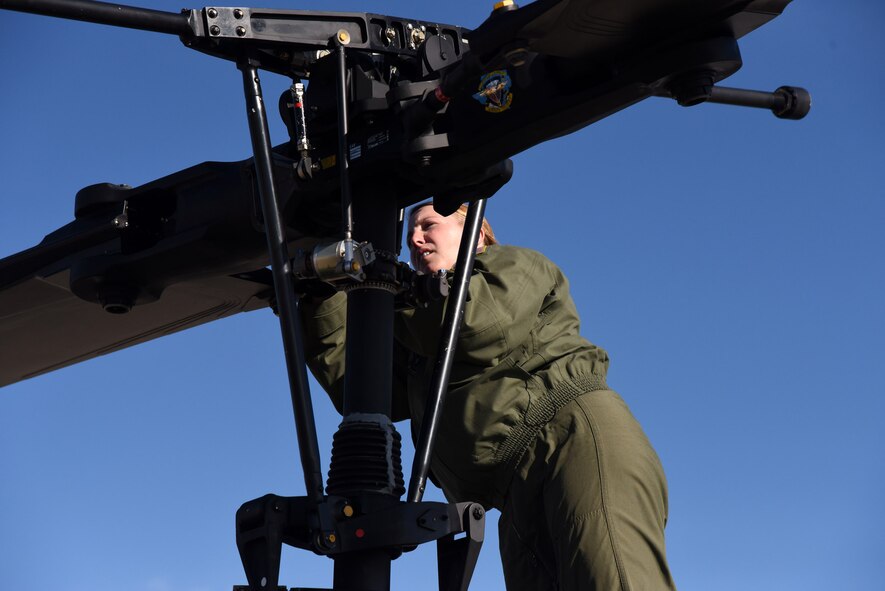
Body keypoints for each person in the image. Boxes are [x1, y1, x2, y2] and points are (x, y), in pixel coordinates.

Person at [300, 202, 676, 590]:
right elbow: (360, 384)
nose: (414, 239)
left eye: (429, 225)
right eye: (410, 234)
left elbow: (476, 326)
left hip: (569, 445)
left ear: (477, 234)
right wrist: (321, 293)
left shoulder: (511, 267)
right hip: (513, 495)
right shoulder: (417, 330)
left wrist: (385, 287)